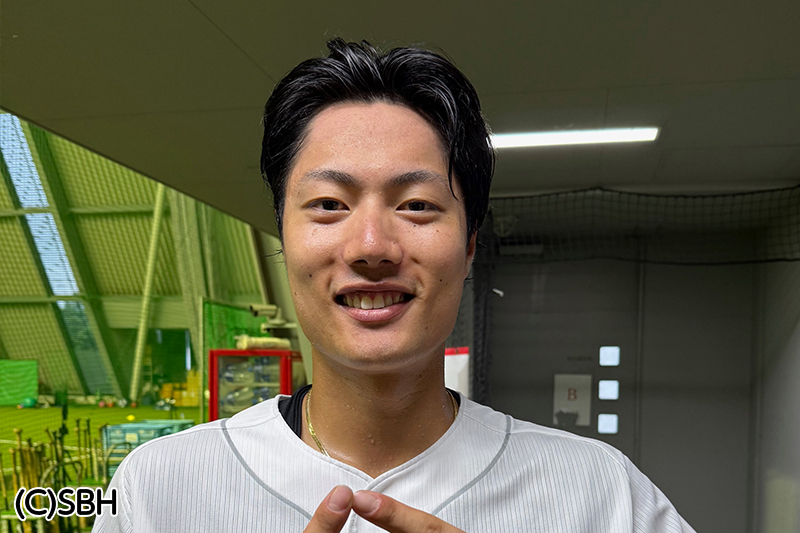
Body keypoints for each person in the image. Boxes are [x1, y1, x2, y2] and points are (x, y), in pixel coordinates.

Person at [94, 38, 695, 532]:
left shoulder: (600, 495)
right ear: (283, 236)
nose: (371, 246)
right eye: (329, 204)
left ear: (469, 246)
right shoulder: (159, 490)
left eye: (416, 205)